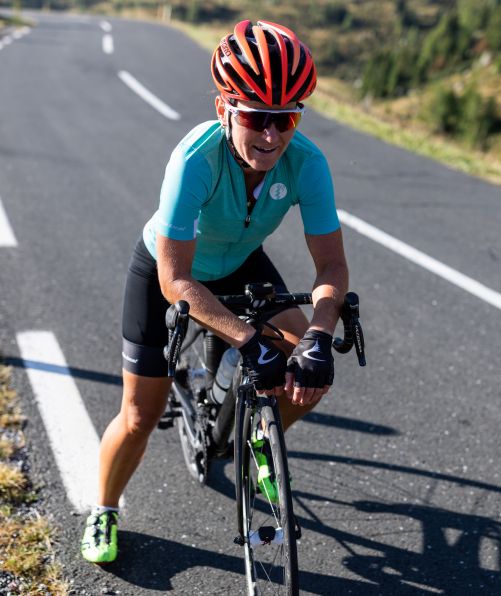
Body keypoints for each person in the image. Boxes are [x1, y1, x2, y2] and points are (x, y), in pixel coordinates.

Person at [80, 19, 348, 564]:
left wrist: (319, 333)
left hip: (241, 264)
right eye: (256, 117)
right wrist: (248, 341)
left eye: (286, 118)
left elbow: (331, 263)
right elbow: (176, 280)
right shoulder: (194, 160)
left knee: (304, 367)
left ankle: (257, 440)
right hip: (169, 271)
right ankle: (104, 508)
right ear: (226, 107)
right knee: (140, 414)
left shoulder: (307, 163)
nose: (271, 136)